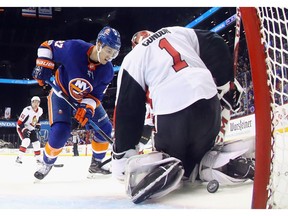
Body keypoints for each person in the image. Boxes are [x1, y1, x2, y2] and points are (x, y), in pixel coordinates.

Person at [112, 26, 248, 204]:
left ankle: (166, 164)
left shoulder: (133, 58)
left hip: (171, 110)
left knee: (175, 160)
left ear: (133, 45)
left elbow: (127, 109)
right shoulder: (176, 32)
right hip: (208, 101)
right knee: (198, 157)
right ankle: (208, 165)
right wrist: (226, 85)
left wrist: (122, 156)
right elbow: (216, 42)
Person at [31, 26, 121, 180]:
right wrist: (43, 65)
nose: (111, 56)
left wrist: (87, 109)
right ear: (99, 44)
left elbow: (95, 95)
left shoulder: (107, 71)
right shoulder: (74, 48)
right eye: (109, 51)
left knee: (104, 128)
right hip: (61, 94)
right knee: (60, 132)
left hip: (83, 98)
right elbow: (47, 46)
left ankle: (96, 165)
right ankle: (47, 162)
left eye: (114, 53)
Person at [16, 96, 43, 165]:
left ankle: (38, 159)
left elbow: (37, 118)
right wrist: (24, 129)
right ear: (31, 102)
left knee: (37, 143)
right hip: (21, 127)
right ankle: (19, 158)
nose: (36, 103)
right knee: (26, 141)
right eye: (34, 102)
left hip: (31, 128)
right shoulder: (27, 110)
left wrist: (38, 125)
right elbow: (19, 123)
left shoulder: (40, 110)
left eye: (38, 102)